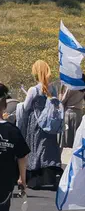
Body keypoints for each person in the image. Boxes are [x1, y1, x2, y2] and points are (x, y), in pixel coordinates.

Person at [18, 60, 63, 190]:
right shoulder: (52, 88)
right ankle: (53, 175)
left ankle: (35, 178)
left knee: (35, 147)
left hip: (36, 122)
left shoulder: (34, 89)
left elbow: (26, 107)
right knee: (48, 148)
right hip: (49, 122)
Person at [58, 83, 85, 148]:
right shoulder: (83, 88)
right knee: (76, 139)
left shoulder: (71, 87)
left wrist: (60, 94)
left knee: (63, 139)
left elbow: (63, 100)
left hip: (69, 113)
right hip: (78, 113)